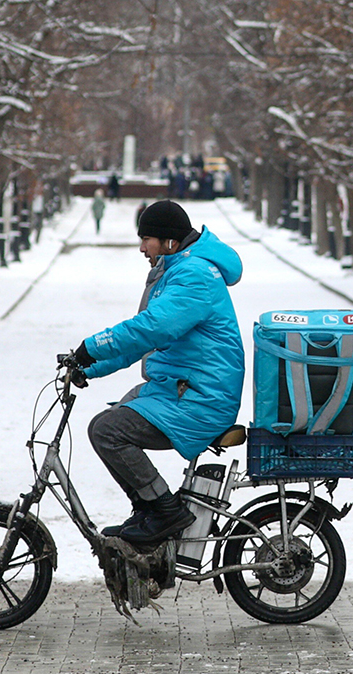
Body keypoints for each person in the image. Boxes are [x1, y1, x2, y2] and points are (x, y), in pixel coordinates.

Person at [69, 200, 244, 545]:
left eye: (146, 238)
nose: (141, 248)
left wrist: (92, 344)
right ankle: (149, 512)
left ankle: (165, 511)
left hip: (201, 397)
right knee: (109, 424)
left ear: (170, 242)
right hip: (182, 389)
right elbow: (143, 343)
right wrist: (89, 365)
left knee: (109, 431)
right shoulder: (178, 271)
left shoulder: (193, 276)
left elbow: (150, 328)